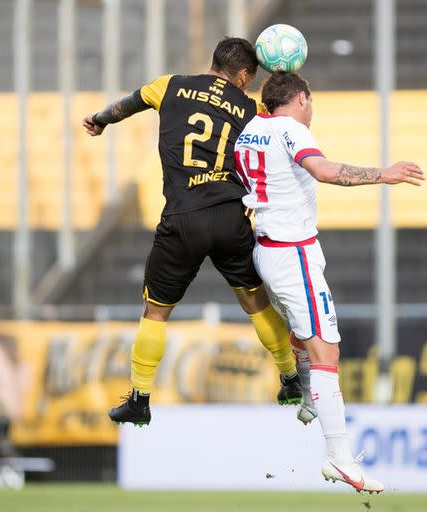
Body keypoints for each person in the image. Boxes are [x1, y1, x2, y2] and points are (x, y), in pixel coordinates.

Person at [82, 38, 301, 426]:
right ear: (245, 75)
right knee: (256, 303)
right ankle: (289, 378)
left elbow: (124, 106)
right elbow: (281, 125)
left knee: (156, 312)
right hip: (230, 216)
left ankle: (139, 398)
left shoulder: (170, 85)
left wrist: (99, 120)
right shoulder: (250, 108)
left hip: (182, 217)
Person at [235, 72, 425, 493]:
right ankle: (339, 458)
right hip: (292, 252)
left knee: (305, 338)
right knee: (327, 351)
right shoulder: (290, 129)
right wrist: (384, 174)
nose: (312, 109)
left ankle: (307, 395)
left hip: (267, 247)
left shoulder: (251, 129)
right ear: (300, 98)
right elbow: (321, 170)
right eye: (311, 100)